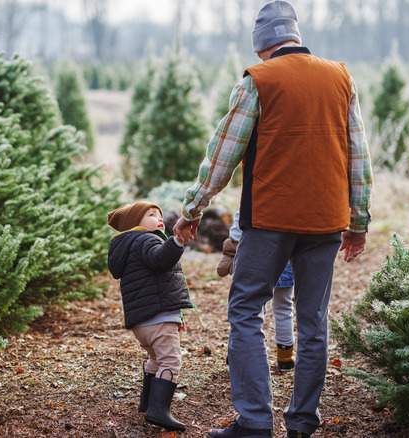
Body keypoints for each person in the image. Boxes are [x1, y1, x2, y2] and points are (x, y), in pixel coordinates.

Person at [173, 1, 373, 437]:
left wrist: (191, 210)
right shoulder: (341, 77)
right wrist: (358, 223)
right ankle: (302, 423)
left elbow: (222, 156)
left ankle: (255, 423)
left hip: (269, 220)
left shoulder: (258, 80)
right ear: (296, 37)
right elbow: (358, 157)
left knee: (246, 310)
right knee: (313, 321)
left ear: (262, 45)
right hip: (326, 221)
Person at [107, 201, 194, 432]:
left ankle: (147, 403)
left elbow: (155, 280)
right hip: (159, 317)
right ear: (135, 223)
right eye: (152, 214)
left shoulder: (127, 245)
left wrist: (177, 313)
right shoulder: (147, 239)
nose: (159, 218)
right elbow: (160, 260)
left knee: (156, 358)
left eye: (159, 214)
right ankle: (159, 410)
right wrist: (176, 241)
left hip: (142, 321)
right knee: (170, 361)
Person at [218, 212, 295, 371]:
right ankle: (285, 357)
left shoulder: (259, 189)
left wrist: (234, 240)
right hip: (288, 251)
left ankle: (238, 351)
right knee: (283, 306)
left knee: (249, 306)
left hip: (259, 253)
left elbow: (242, 215)